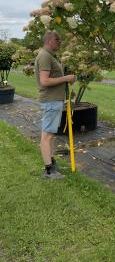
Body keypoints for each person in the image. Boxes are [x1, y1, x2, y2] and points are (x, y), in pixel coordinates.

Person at [35, 31, 76, 179]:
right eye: (57, 40)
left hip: (54, 100)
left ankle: (52, 163)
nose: (60, 43)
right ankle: (49, 171)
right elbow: (44, 81)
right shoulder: (45, 56)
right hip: (51, 101)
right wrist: (66, 78)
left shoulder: (49, 55)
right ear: (50, 40)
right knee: (47, 136)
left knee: (50, 135)